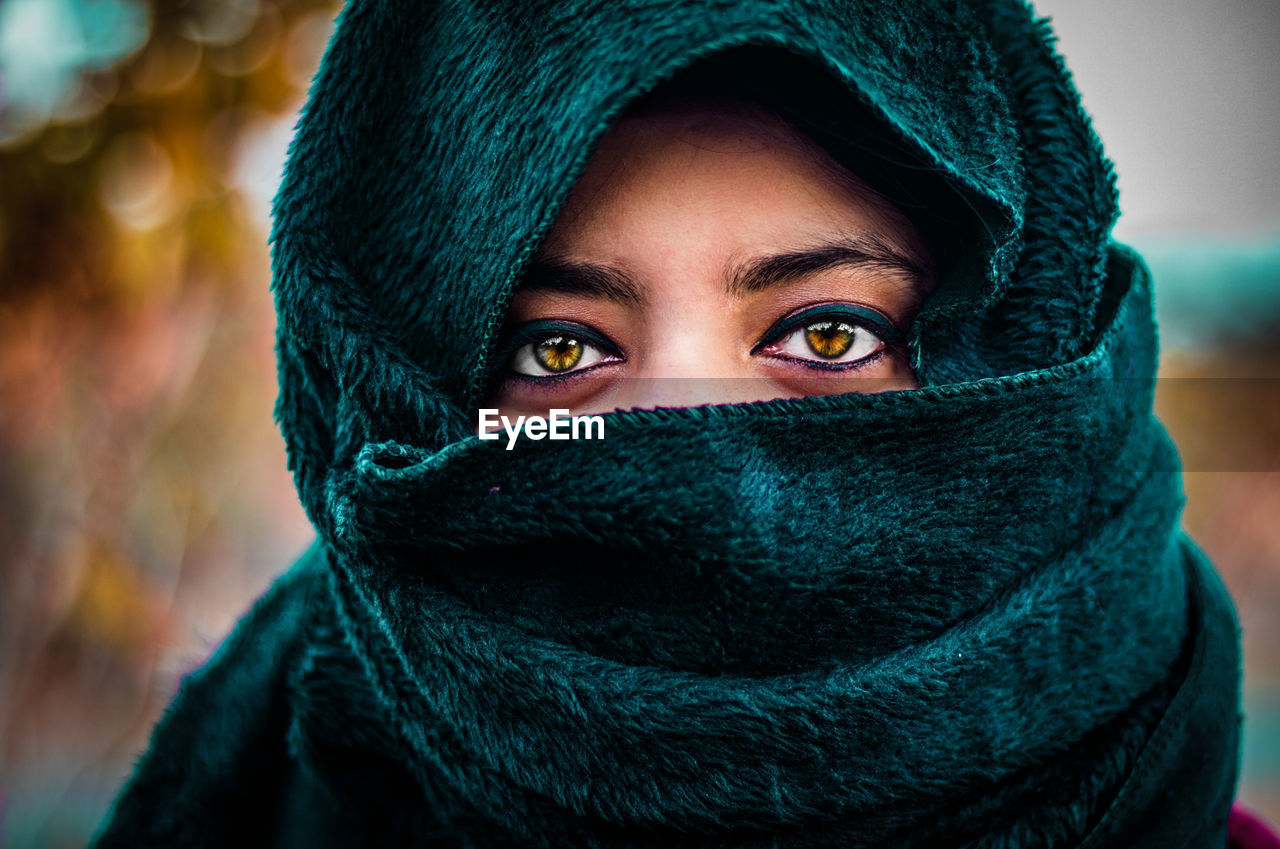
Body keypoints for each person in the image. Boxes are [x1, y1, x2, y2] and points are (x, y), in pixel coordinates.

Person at [92, 0, 1262, 846]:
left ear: (1031, 377)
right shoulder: (268, 796)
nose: (693, 444)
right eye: (561, 349)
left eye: (825, 334)